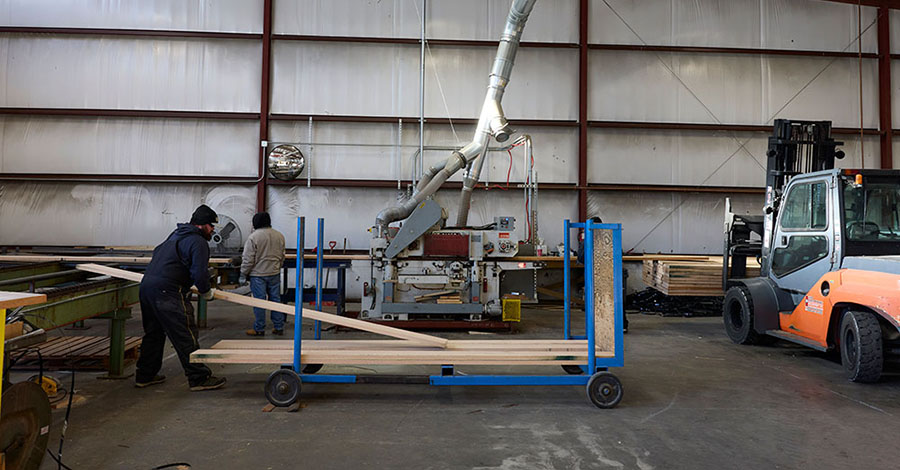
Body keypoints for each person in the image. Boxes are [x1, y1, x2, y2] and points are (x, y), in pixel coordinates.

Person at [134, 204, 226, 391]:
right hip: (168, 291)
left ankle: (145, 375)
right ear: (201, 225)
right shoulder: (198, 242)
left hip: (147, 287)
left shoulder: (175, 235)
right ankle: (198, 378)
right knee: (185, 333)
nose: (213, 230)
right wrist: (206, 291)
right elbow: (200, 273)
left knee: (154, 333)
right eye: (211, 225)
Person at [577, 217, 628, 333]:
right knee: (614, 299)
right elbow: (618, 255)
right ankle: (620, 325)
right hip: (609, 274)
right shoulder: (609, 237)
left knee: (601, 300)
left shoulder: (589, 240)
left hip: (598, 274)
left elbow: (581, 258)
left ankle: (605, 325)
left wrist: (583, 243)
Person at [240, 212, 287, 336]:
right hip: (274, 273)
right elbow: (282, 256)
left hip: (258, 275)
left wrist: (243, 273)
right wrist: (277, 267)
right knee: (275, 300)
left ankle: (259, 329)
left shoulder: (253, 237)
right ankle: (278, 327)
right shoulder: (279, 236)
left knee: (259, 302)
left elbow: (248, 259)